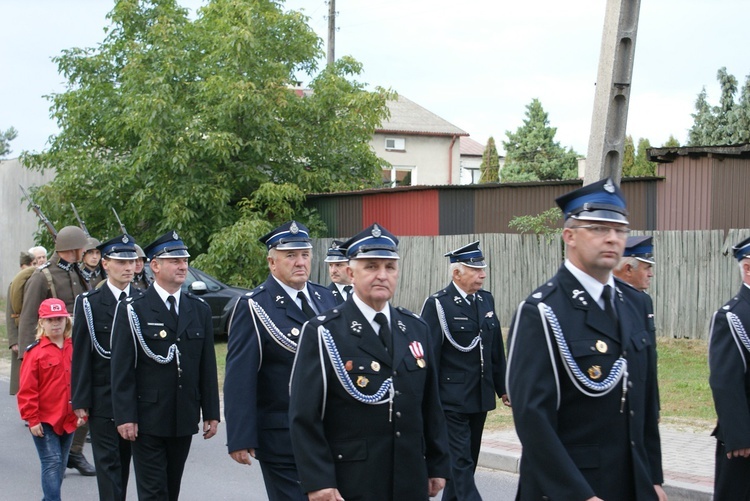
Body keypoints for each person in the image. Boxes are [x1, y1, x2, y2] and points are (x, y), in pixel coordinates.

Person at [506, 178, 666, 501]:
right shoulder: (542, 310)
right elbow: (533, 420)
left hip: (631, 481)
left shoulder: (635, 304)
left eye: (619, 230)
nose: (611, 238)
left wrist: (654, 477)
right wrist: (578, 495)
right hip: (569, 486)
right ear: (570, 237)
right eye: (597, 229)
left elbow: (646, 402)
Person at [289, 223, 451, 501]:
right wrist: (318, 480)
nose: (382, 275)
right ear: (351, 273)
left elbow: (430, 405)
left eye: (389, 267)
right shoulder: (325, 331)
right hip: (352, 479)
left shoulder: (415, 328)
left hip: (409, 475)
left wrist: (438, 463)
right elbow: (304, 415)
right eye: (371, 266)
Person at [223, 220, 338, 501]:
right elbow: (240, 376)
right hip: (282, 434)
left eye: (305, 255)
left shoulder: (326, 299)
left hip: (330, 432)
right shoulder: (255, 305)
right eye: (291, 256)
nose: (300, 262)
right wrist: (240, 436)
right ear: (272, 263)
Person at [110, 230, 220, 501]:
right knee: (153, 491)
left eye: (184, 260)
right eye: (174, 260)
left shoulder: (199, 309)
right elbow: (122, 368)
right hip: (147, 416)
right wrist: (125, 415)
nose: (183, 266)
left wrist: (211, 411)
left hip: (183, 414)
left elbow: (206, 365)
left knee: (172, 489)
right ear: (155, 266)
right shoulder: (134, 308)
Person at [419, 240, 508, 501]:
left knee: (467, 463)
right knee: (460, 464)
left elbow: (494, 350)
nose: (482, 274)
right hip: (450, 400)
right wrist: (427, 398)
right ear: (457, 273)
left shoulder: (486, 300)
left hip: (479, 396)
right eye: (475, 269)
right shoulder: (438, 304)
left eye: (483, 269)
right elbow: (429, 355)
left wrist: (503, 388)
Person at [18, 225, 96, 477]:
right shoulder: (43, 276)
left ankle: (74, 451)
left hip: (79, 347)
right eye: (81, 247)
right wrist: (28, 356)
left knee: (83, 399)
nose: (85, 251)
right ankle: (62, 456)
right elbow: (30, 317)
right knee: (57, 402)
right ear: (72, 249)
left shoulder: (79, 272)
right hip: (51, 347)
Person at [72, 235, 142, 500]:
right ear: (105, 264)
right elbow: (81, 354)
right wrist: (80, 398)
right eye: (121, 261)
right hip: (104, 396)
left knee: (130, 463)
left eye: (132, 261)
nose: (128, 267)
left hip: (137, 398)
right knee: (109, 463)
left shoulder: (143, 301)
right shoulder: (89, 303)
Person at [17, 298, 85, 501]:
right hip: (45, 419)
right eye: (50, 320)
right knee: (52, 462)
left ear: (67, 321)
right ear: (42, 323)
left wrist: (83, 410)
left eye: (59, 319)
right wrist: (32, 418)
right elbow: (27, 389)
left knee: (61, 464)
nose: (55, 324)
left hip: (70, 418)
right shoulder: (35, 353)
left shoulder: (76, 348)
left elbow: (83, 381)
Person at [708, 235, 750, 499]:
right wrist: (739, 436)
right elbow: (725, 381)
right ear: (747, 267)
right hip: (746, 440)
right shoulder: (732, 316)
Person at [6, 251, 35, 395]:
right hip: (20, 333)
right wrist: (13, 340)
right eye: (31, 264)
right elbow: (10, 314)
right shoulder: (15, 285)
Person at [324, 239, 352, 304]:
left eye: (338, 265)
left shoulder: (362, 291)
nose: (333, 271)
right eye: (330, 265)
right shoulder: (324, 295)